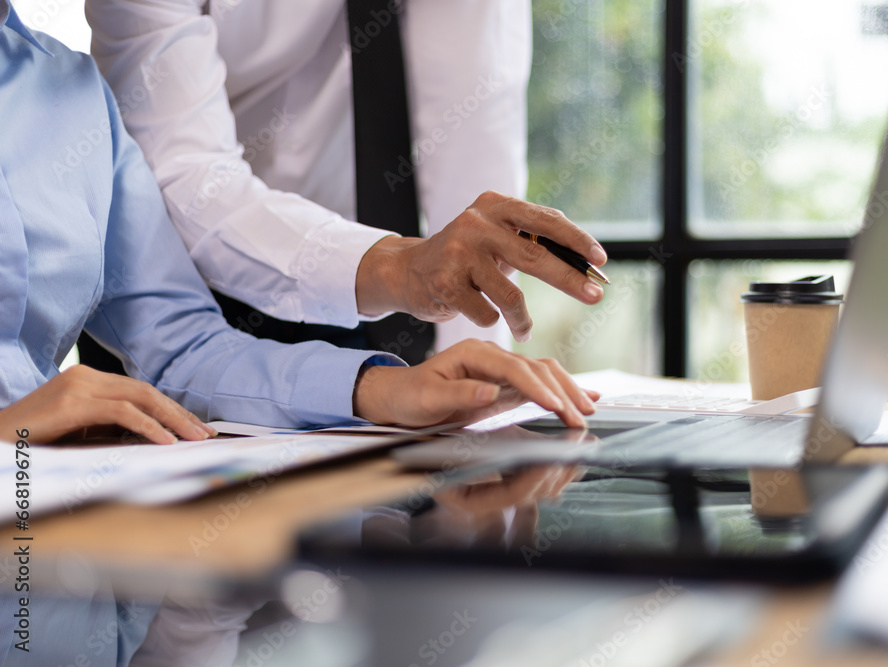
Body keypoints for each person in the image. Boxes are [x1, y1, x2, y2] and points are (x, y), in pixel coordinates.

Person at [0, 0, 597, 444]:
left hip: (57, 524)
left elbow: (181, 346)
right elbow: (192, 176)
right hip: (233, 263)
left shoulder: (70, 94)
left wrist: (396, 389)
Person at [84, 0, 606, 362]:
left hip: (378, 303)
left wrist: (479, 363)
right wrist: (399, 268)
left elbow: (475, 117)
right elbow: (185, 175)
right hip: (185, 309)